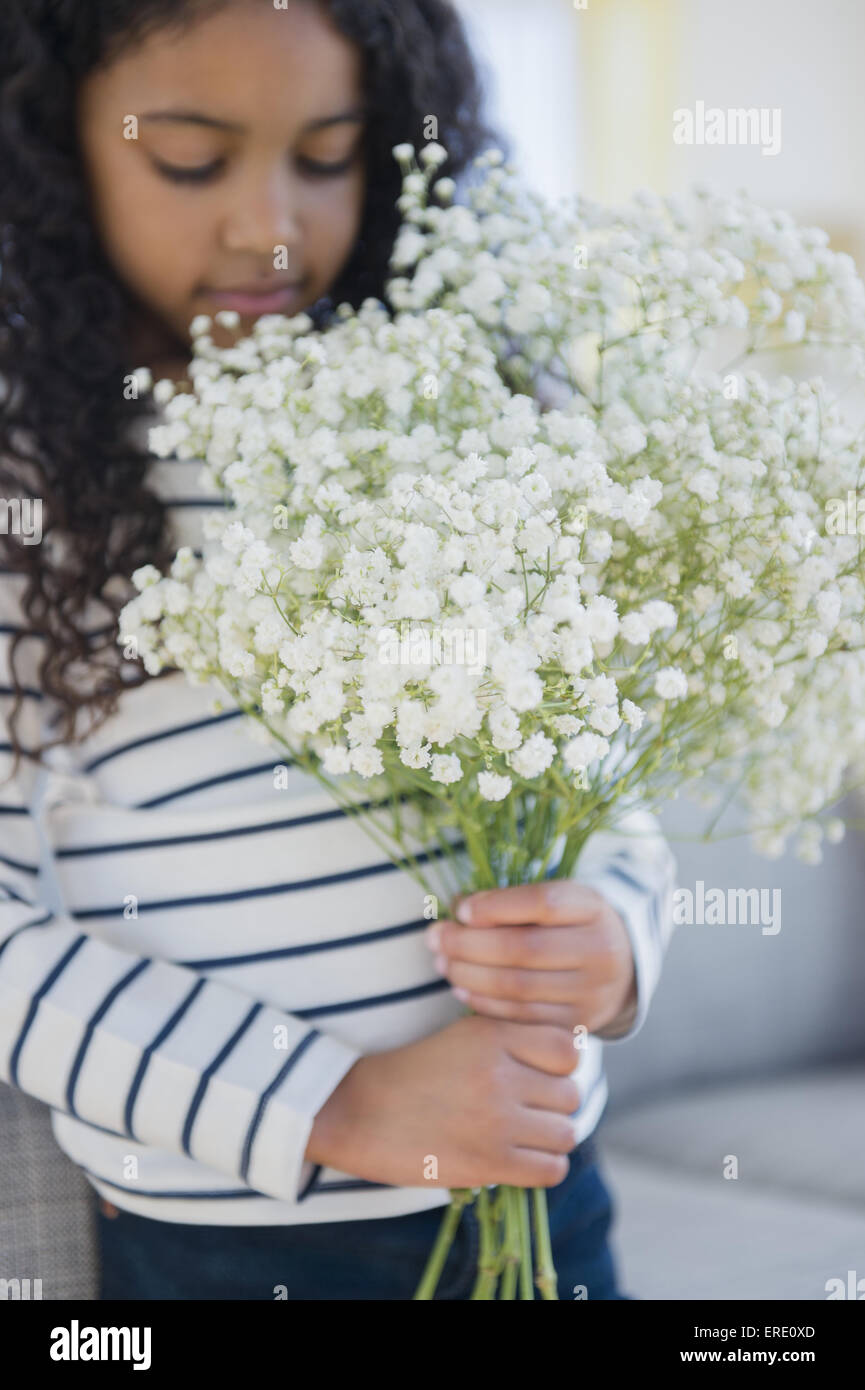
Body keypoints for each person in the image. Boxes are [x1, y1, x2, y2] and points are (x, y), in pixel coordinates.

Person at [0, 0, 677, 1300]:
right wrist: (339, 1102)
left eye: (327, 156)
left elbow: (602, 771)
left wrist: (614, 944)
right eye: (190, 159)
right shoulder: (29, 492)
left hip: (537, 1193)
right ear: (48, 151)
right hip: (234, 1236)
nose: (270, 226)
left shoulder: (460, 413)